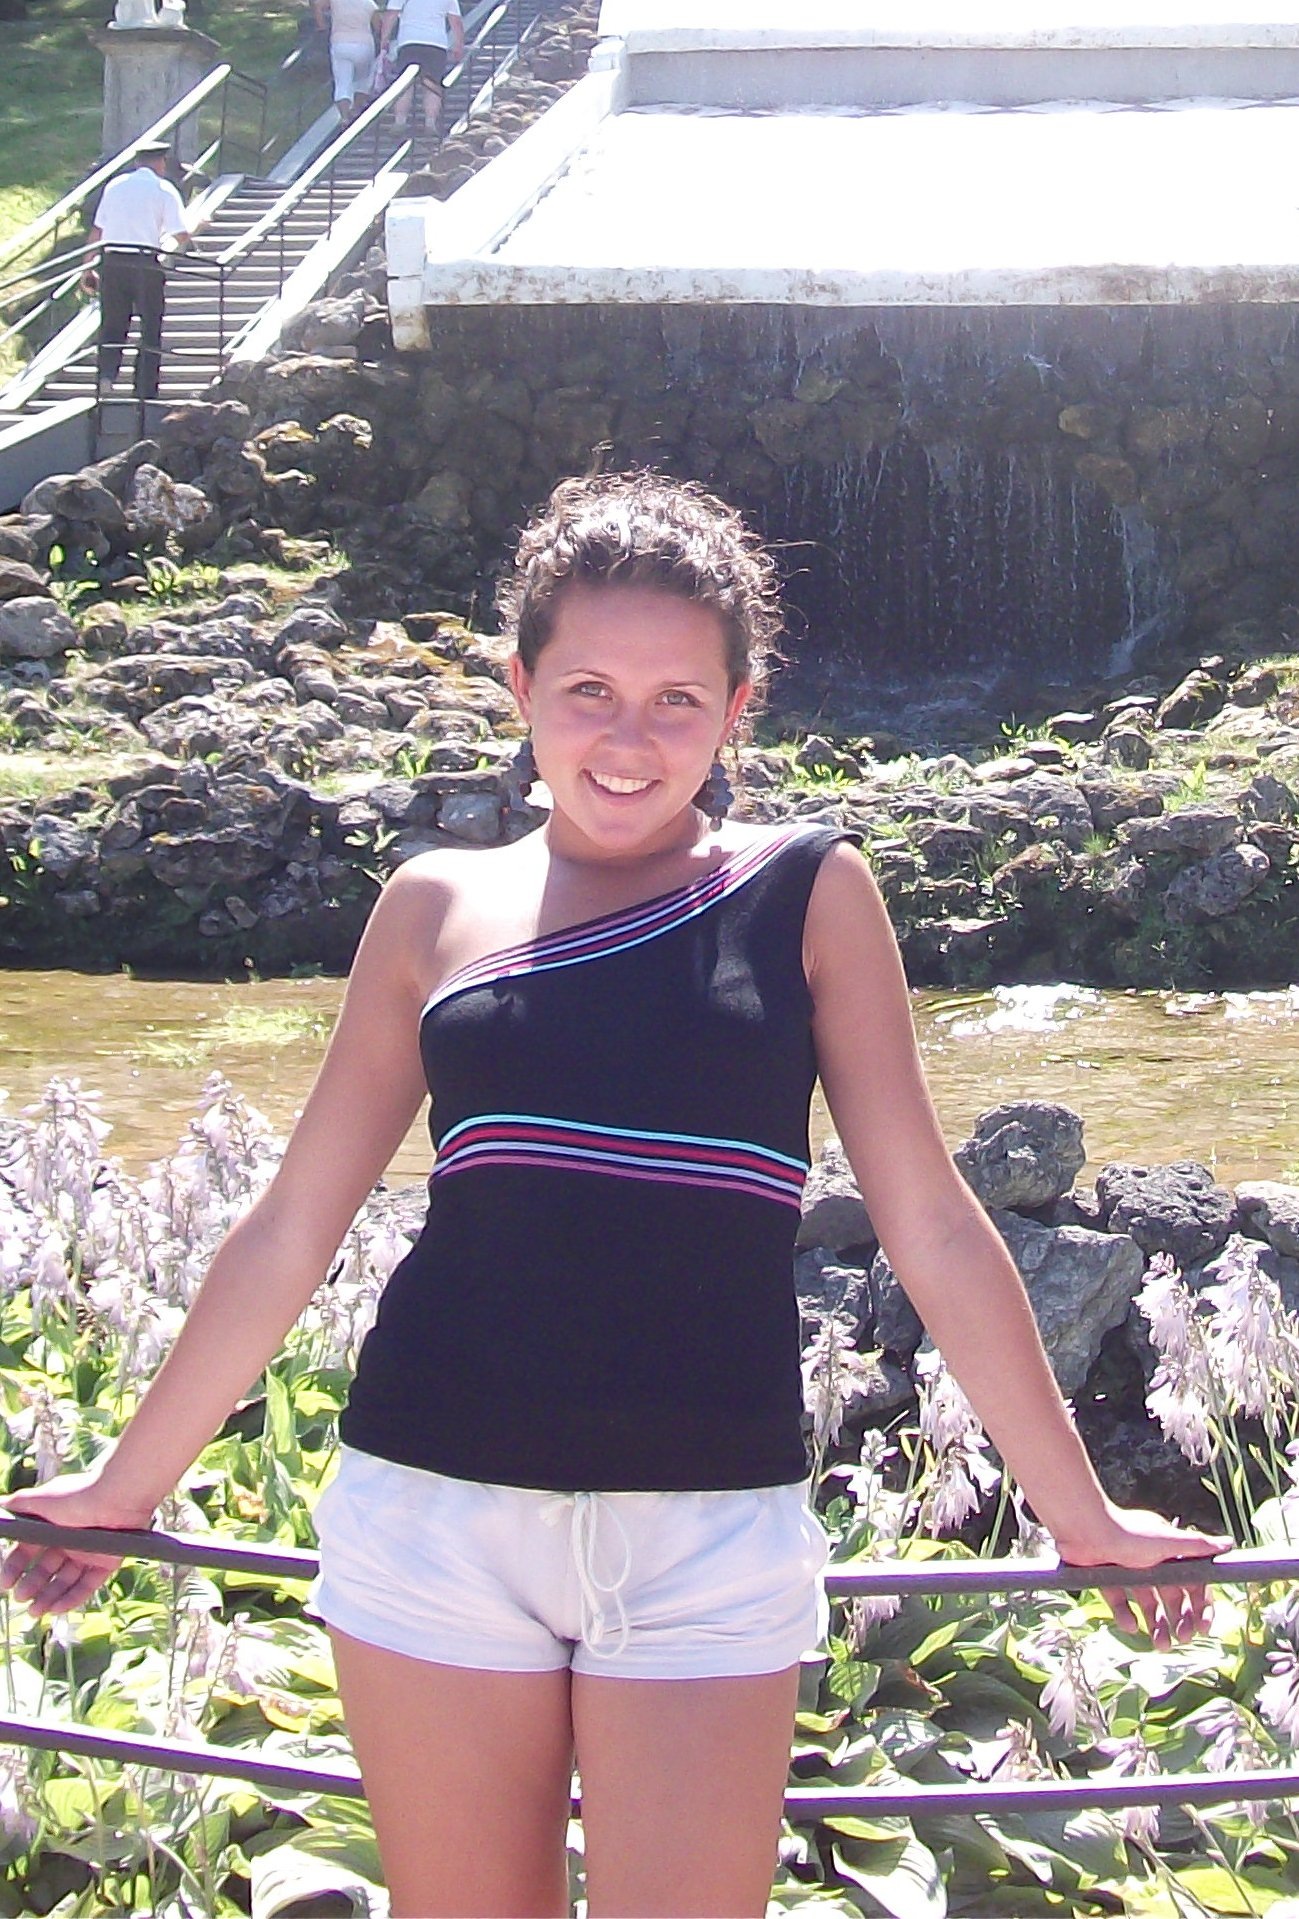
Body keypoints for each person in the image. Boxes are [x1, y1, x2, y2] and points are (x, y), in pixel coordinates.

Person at [0, 472, 1227, 1919]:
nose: (628, 740)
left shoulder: (809, 890)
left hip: (708, 1528)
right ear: (520, 687)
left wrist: (1080, 1512)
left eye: (674, 700)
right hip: (434, 1512)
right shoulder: (431, 905)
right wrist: (125, 1485)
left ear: (737, 709)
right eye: (587, 689)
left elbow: (932, 1219)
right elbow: (291, 1222)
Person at [80, 140, 191, 404]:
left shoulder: (115, 186)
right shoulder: (164, 189)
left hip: (112, 263)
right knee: (150, 326)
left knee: (112, 324)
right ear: (161, 162)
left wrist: (87, 267)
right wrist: (198, 227)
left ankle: (107, 376)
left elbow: (98, 230)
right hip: (144, 264)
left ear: (137, 161)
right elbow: (180, 234)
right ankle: (144, 389)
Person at [379, 0, 462, 142]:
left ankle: (400, 122)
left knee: (405, 85)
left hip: (409, 42)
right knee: (432, 85)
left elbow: (391, 14)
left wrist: (384, 39)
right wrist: (458, 45)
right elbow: (455, 21)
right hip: (437, 44)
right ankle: (430, 123)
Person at [313, 0, 379, 125]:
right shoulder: (369, 3)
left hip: (340, 43)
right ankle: (356, 110)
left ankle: (344, 116)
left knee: (342, 82)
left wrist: (322, 26)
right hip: (364, 45)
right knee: (363, 80)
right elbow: (378, 26)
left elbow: (317, 4)